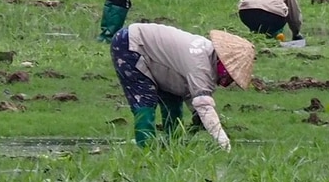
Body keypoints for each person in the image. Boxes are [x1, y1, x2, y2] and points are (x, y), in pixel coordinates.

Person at [109, 22, 254, 149]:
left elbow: (191, 92)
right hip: (131, 44)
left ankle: (172, 143)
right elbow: (203, 104)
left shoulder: (206, 52)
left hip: (158, 58)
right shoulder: (200, 64)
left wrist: (198, 117)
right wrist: (223, 142)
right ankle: (145, 147)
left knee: (174, 96)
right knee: (145, 97)